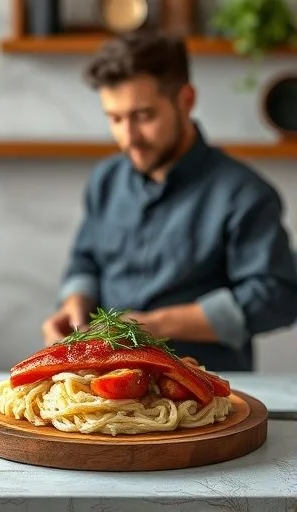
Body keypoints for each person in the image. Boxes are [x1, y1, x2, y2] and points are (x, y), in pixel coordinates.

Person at [42, 30, 297, 371]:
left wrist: (154, 326)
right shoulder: (106, 180)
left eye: (144, 116)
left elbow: (276, 297)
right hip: (106, 381)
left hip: (205, 388)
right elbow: (86, 260)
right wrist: (74, 304)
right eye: (115, 119)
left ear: (186, 100)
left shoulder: (245, 193)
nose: (128, 138)